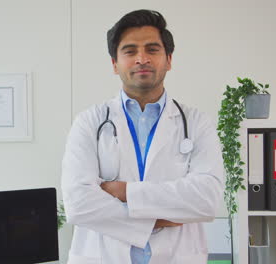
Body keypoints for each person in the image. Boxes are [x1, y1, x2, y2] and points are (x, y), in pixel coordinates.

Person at [62, 9, 224, 264]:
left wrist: (123, 191)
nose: (141, 59)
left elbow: (207, 199)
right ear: (115, 64)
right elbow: (78, 203)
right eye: (129, 51)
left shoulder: (197, 123)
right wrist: (156, 219)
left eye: (152, 49)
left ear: (169, 59)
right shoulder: (89, 122)